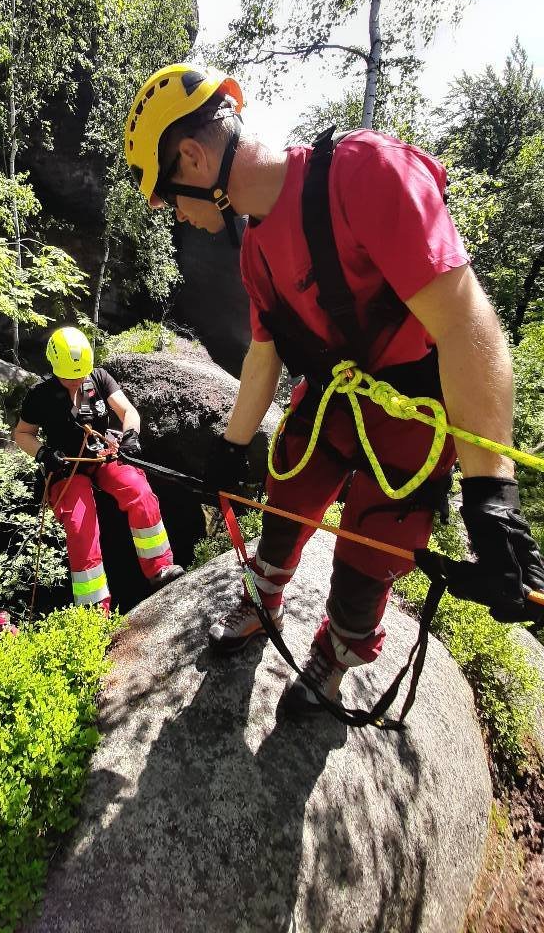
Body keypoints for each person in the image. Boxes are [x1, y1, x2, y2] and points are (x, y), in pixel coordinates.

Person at [123, 63, 544, 719]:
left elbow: (469, 325)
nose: (175, 213)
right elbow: (264, 355)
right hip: (329, 400)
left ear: (192, 156)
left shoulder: (367, 173)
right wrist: (229, 452)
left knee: (372, 547)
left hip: (411, 407)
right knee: (289, 494)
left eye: (168, 195)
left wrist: (492, 496)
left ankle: (339, 654)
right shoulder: (255, 249)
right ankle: (264, 602)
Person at [13, 326, 184, 612]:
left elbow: (127, 412)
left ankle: (160, 567)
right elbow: (22, 434)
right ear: (55, 368)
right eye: (69, 376)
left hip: (102, 454)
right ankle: (94, 608)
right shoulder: (40, 395)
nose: (76, 380)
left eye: (80, 374)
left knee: (138, 490)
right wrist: (43, 453)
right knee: (80, 524)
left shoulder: (99, 378)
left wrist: (130, 436)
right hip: (67, 465)